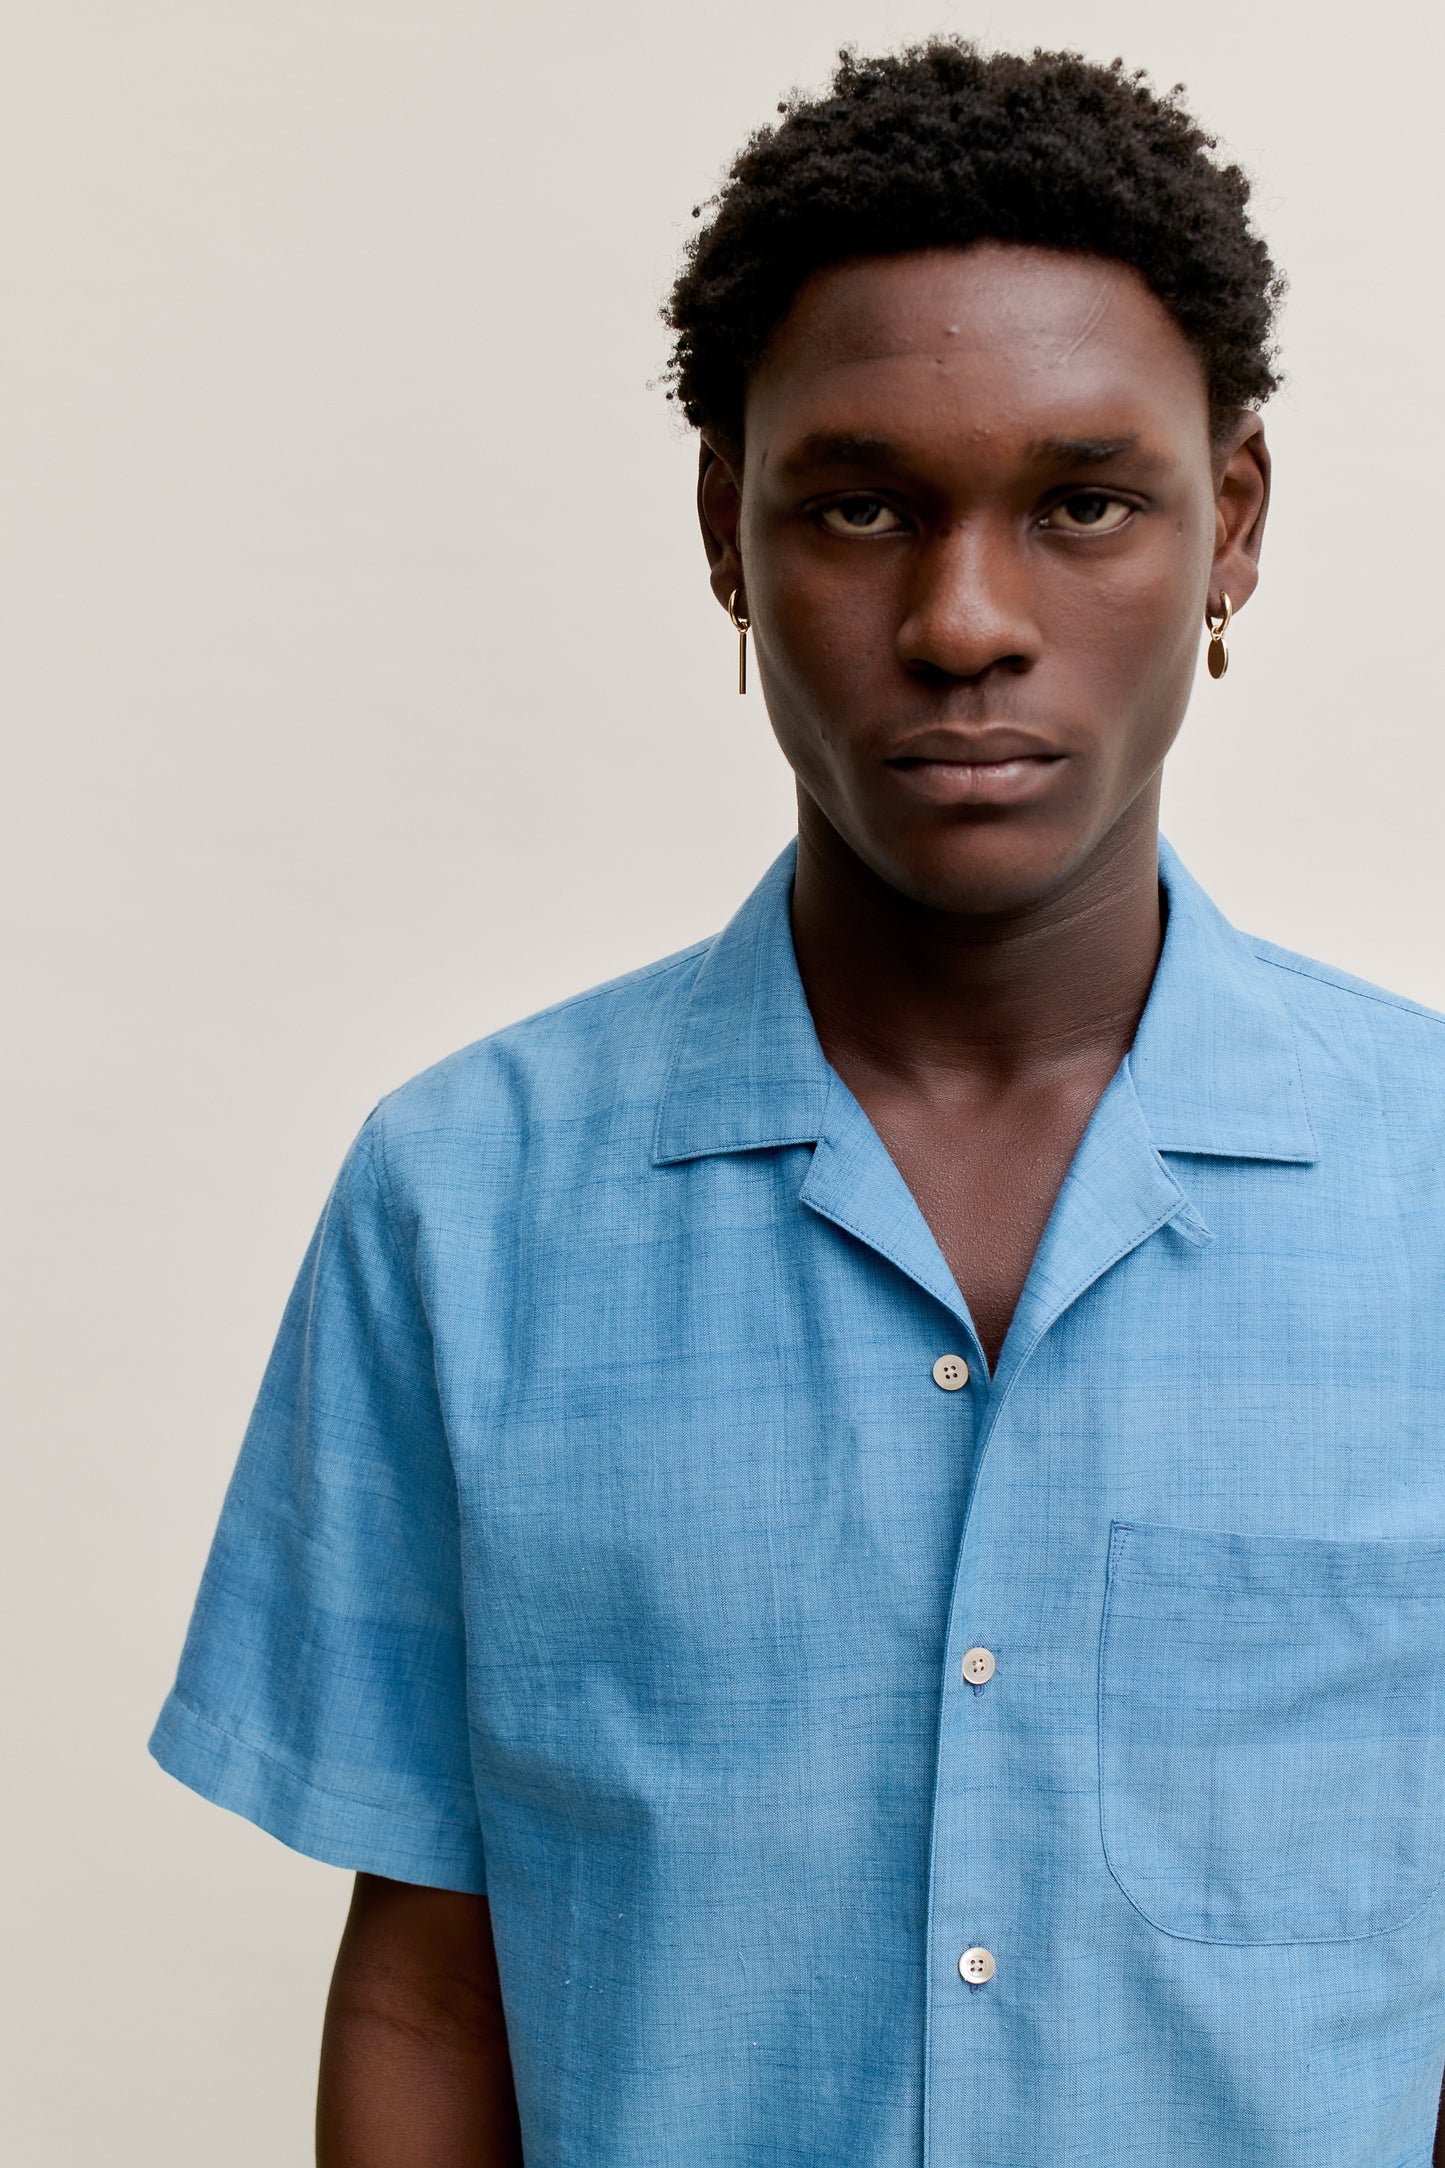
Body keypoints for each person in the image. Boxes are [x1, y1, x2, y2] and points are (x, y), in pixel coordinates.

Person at [150, 40, 1445, 2168]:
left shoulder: (1432, 1203)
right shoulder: (463, 1207)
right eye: (859, 506)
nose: (963, 622)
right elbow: (431, 1988)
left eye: (1083, 503)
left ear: (1230, 525)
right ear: (725, 536)